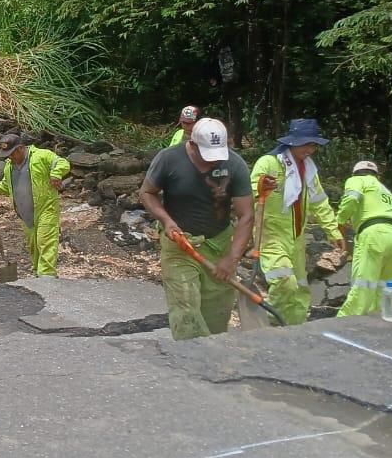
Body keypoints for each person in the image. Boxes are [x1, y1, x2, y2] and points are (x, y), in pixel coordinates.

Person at [140, 117, 255, 340]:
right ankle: (192, 361)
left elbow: (246, 215)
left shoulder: (234, 164)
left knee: (216, 313)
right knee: (186, 307)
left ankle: (212, 359)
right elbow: (147, 193)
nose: (213, 162)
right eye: (206, 155)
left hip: (219, 243)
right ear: (192, 144)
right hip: (180, 243)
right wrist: (166, 221)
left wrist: (232, 257)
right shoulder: (169, 159)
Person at [250, 118, 345, 326]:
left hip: (296, 236)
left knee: (300, 288)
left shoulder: (308, 169)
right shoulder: (269, 163)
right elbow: (248, 194)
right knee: (284, 281)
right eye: (306, 144)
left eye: (313, 145)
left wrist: (333, 231)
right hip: (271, 234)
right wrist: (261, 187)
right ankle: (270, 322)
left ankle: (295, 330)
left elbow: (319, 201)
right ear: (292, 142)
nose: (310, 149)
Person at [0, 133, 71, 277]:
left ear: (20, 148)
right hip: (25, 213)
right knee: (33, 246)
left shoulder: (41, 156)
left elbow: (62, 163)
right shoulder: (9, 166)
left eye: (11, 154)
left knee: (45, 241)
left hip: (46, 208)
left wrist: (56, 174)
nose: (9, 157)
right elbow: (8, 186)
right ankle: (37, 274)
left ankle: (47, 277)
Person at [336, 160, 392, 317]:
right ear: (376, 175)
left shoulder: (356, 180)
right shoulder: (385, 190)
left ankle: (342, 323)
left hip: (375, 234)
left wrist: (340, 221)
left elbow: (351, 199)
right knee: (385, 285)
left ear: (355, 172)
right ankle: (377, 322)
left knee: (363, 285)